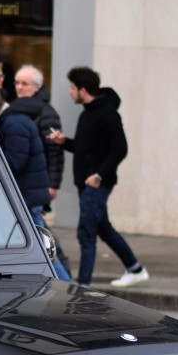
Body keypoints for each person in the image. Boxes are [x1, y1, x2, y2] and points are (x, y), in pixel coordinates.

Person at [49, 66, 148, 288]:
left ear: (83, 89)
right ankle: (135, 268)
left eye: (72, 88)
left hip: (96, 184)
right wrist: (64, 141)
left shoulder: (107, 114)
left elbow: (120, 149)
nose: (70, 92)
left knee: (86, 232)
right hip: (88, 183)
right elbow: (86, 148)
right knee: (102, 227)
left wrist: (99, 175)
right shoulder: (88, 113)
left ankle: (82, 285)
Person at [0, 88, 70, 281]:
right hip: (24, 196)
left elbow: (14, 162)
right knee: (33, 247)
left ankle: (68, 287)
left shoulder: (13, 123)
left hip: (25, 198)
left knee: (40, 250)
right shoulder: (13, 120)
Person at [9, 65, 71, 272]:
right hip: (32, 182)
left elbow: (54, 152)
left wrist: (52, 184)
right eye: (17, 82)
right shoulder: (21, 108)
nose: (19, 87)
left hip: (37, 182)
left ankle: (63, 277)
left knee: (40, 234)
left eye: (24, 83)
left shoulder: (45, 112)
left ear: (36, 86)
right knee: (38, 233)